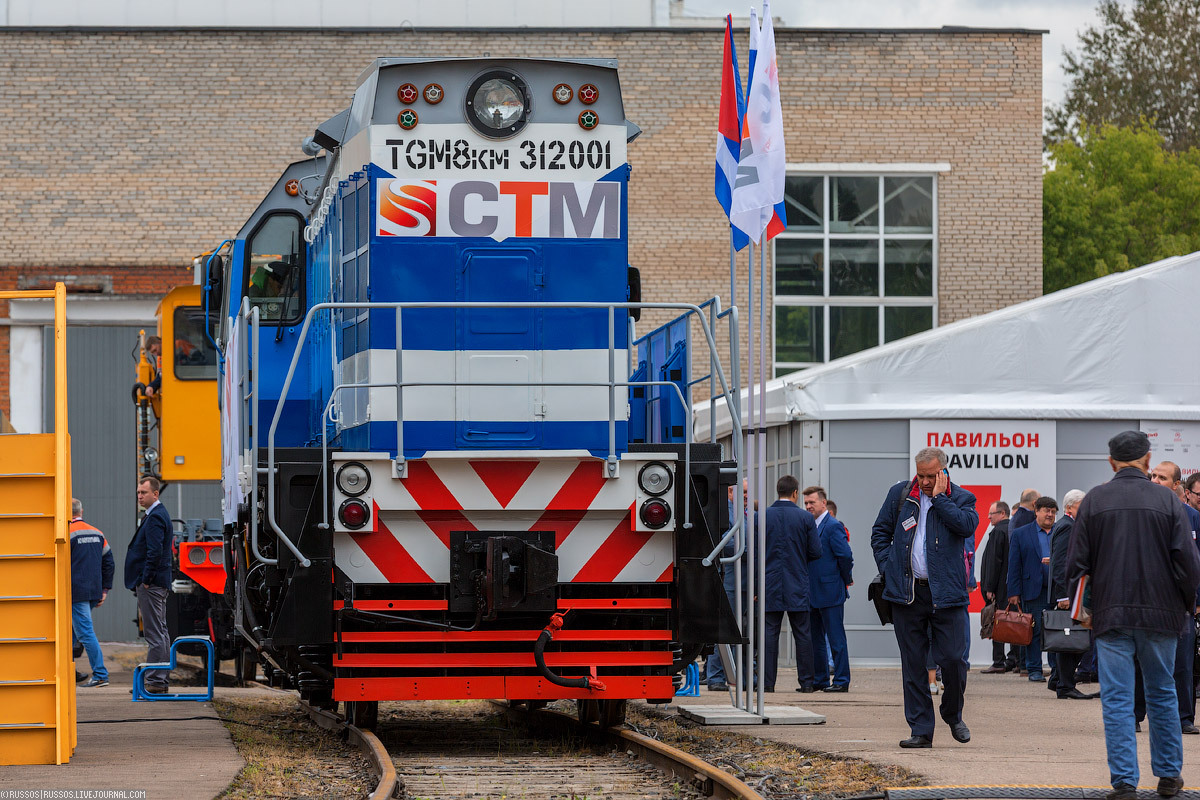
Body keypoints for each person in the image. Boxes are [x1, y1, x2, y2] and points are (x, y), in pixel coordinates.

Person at [1068, 431, 1200, 799]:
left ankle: (1125, 782)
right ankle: (1170, 775)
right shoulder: (1169, 501)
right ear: (1147, 460)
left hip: (1111, 615)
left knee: (1118, 698)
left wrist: (1083, 612)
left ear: (1111, 462)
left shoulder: (1094, 500)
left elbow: (1076, 565)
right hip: (1162, 615)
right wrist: (1187, 605)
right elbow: (1188, 563)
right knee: (1163, 692)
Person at [871, 447, 977, 748]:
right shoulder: (901, 495)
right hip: (908, 593)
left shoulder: (961, 498)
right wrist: (888, 567)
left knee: (954, 660)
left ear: (943, 472)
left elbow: (966, 526)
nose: (926, 482)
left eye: (931, 476)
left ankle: (953, 714)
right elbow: (879, 533)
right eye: (921, 475)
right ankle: (921, 729)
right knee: (914, 664)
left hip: (948, 595)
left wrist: (941, 499)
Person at [1150, 460, 1200, 734]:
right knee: (1139, 663)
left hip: (1181, 605)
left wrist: (1196, 602)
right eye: (1153, 475)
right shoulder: (1142, 513)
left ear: (1176, 484)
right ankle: (1135, 715)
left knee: (1182, 664)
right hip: (1148, 602)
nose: (1155, 480)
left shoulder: (1192, 518)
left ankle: (1184, 718)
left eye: (1162, 477)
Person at [763, 475, 821, 693]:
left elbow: (755, 552)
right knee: (803, 634)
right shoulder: (805, 518)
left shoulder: (763, 516)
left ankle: (768, 684)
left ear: (778, 491)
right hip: (797, 582)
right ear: (795, 493)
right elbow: (816, 551)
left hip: (770, 583)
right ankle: (806, 683)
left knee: (770, 634)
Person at [125, 476, 174, 694]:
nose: (139, 496)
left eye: (143, 492)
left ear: (155, 494)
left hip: (152, 585)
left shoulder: (155, 517)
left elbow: (154, 552)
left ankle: (155, 681)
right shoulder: (155, 515)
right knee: (160, 631)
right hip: (155, 583)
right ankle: (157, 680)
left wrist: (146, 580)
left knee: (155, 633)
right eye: (138, 492)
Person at [803, 486, 853, 692]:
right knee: (816, 640)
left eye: (811, 502)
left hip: (831, 591)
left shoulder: (832, 526)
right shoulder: (809, 525)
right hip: (812, 592)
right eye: (805, 503)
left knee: (835, 638)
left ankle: (841, 681)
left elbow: (845, 555)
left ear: (823, 503)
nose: (808, 506)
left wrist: (845, 578)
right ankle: (821, 679)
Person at [1047, 489, 1093, 700]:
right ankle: (1065, 685)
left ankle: (1059, 680)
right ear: (1069, 507)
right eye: (1081, 506)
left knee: (1071, 638)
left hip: (1071, 593)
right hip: (1070, 594)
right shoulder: (1067, 527)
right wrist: (1064, 596)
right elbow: (1059, 564)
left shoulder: (1066, 525)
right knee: (1071, 640)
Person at [1007, 496, 1058, 682]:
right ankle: (1034, 669)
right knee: (1034, 631)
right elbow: (1014, 565)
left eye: (1053, 512)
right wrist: (1013, 592)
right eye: (1046, 510)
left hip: (1057, 590)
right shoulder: (1021, 534)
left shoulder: (1061, 531)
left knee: (1055, 631)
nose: (1050, 515)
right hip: (1033, 590)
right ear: (1036, 511)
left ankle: (1056, 670)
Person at [707, 479, 749, 692]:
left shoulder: (744, 511)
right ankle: (715, 677)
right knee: (725, 629)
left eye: (748, 493)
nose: (746, 496)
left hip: (744, 581)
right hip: (731, 579)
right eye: (743, 492)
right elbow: (728, 542)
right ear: (730, 492)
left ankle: (736, 676)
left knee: (738, 630)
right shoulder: (727, 512)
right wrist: (748, 546)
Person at [70, 499, 114, 688]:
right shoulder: (97, 533)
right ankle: (68, 671)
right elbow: (109, 563)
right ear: (82, 511)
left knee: (85, 633)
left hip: (75, 592)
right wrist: (104, 589)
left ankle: (100, 674)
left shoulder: (67, 534)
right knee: (70, 633)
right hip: (93, 591)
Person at [979, 501, 1016, 673]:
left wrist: (989, 587)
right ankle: (1014, 659)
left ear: (1002, 513)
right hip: (1013, 587)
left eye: (991, 513)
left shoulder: (998, 532)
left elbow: (994, 562)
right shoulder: (1013, 530)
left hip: (1000, 587)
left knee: (998, 622)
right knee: (1015, 622)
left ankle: (999, 661)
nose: (988, 517)